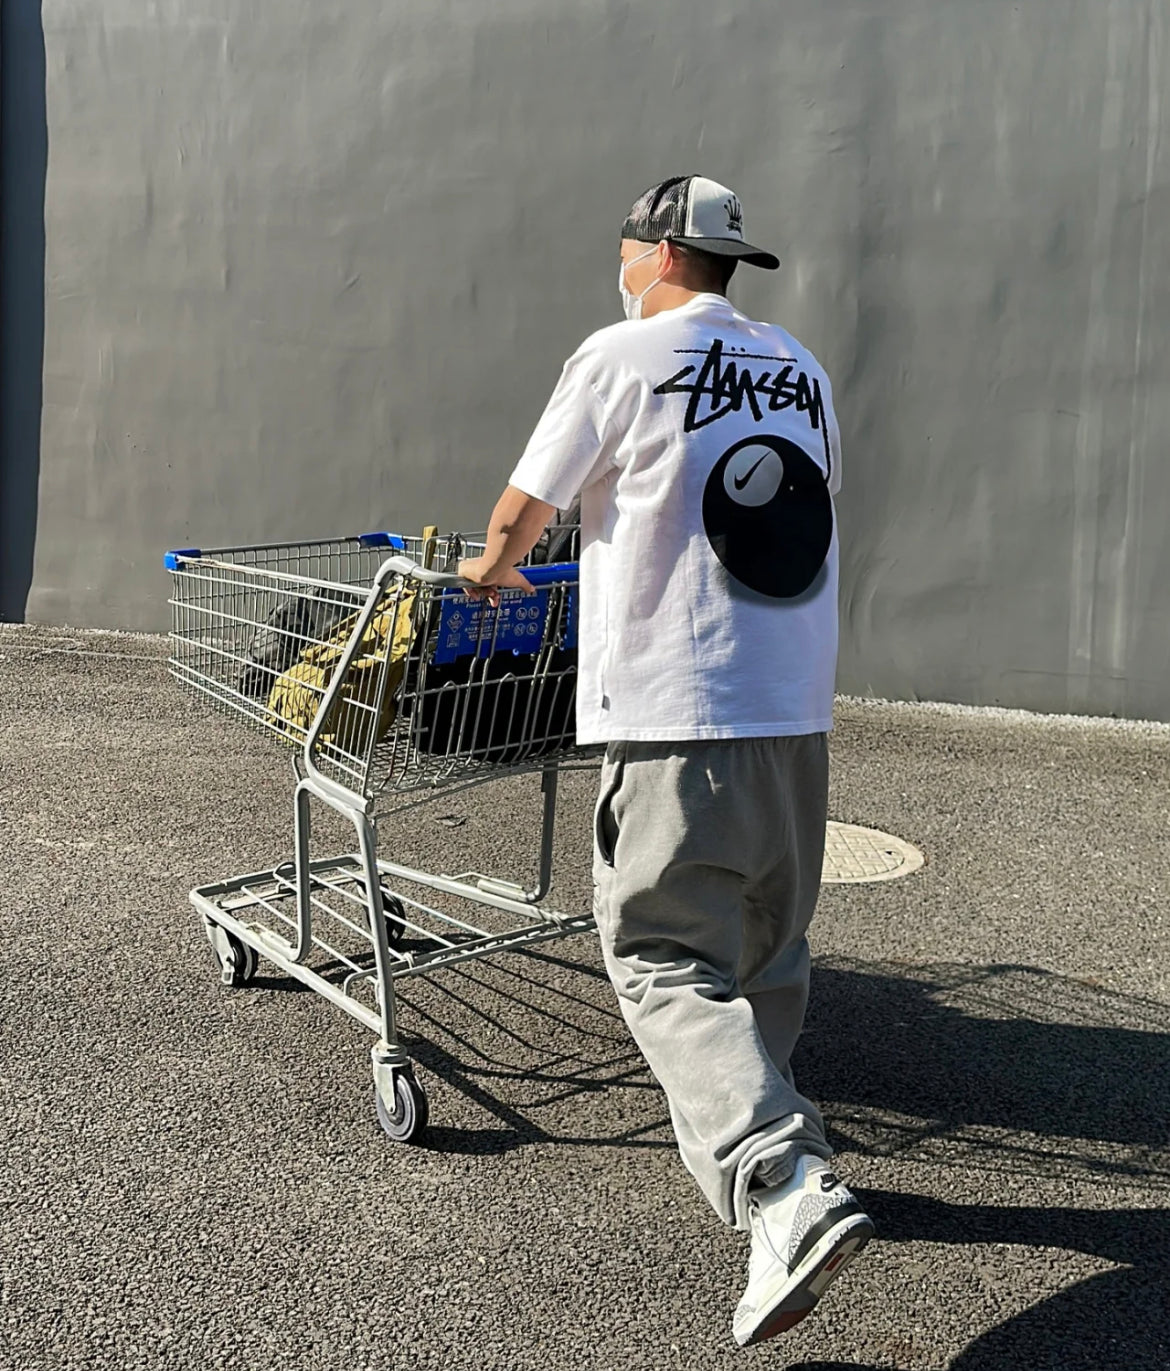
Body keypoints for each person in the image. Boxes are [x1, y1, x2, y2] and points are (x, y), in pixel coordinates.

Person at [458, 174, 873, 1347]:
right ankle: (775, 1158)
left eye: (627, 253)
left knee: (657, 952)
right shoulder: (803, 368)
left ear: (648, 253)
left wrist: (491, 574)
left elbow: (523, 508)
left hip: (677, 704)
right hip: (792, 706)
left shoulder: (618, 354)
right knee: (764, 949)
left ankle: (783, 1184)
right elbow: (811, 504)